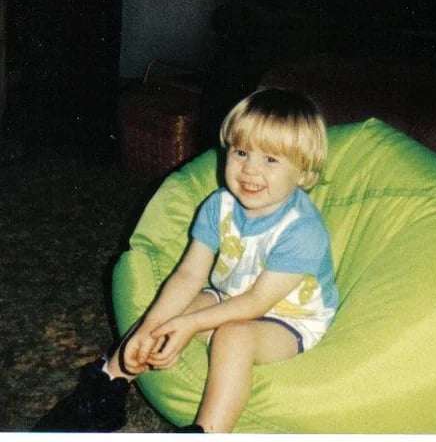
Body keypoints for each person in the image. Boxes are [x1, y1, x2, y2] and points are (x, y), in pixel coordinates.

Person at [33, 88, 339, 433]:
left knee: (232, 336)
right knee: (170, 312)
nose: (250, 170)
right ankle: (106, 387)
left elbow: (256, 302)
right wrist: (152, 328)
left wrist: (191, 326)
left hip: (290, 319)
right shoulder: (218, 205)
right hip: (231, 295)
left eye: (270, 160)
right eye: (241, 152)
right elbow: (188, 275)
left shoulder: (301, 229)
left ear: (303, 173)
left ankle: (207, 431)